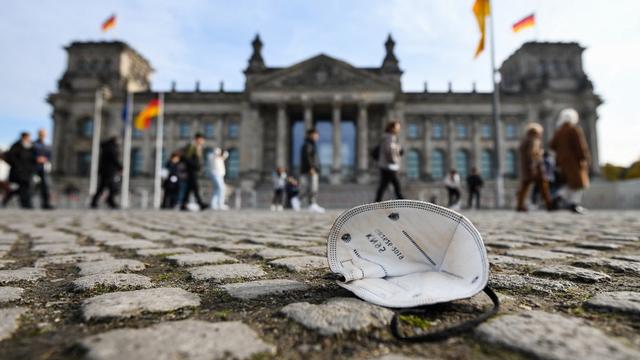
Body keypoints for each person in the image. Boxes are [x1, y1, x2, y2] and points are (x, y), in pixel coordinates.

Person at [550, 108, 590, 214]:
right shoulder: (574, 129)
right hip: (574, 161)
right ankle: (574, 204)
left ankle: (558, 197)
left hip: (561, 162)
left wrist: (561, 152)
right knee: (579, 184)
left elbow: (552, 145)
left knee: (569, 183)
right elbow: (580, 146)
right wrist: (584, 158)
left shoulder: (559, 131)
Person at [515, 123, 553, 212]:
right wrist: (540, 154)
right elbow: (532, 153)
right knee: (543, 187)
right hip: (535, 168)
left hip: (526, 168)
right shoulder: (534, 139)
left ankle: (519, 205)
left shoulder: (525, 140)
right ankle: (549, 205)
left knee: (524, 188)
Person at [2, 132, 37, 209]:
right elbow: (10, 157)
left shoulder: (31, 147)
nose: (28, 139)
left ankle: (26, 204)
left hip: (27, 171)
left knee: (25, 187)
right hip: (17, 171)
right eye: (27, 137)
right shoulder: (16, 145)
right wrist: (17, 165)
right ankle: (8, 200)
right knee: (17, 188)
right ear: (23, 137)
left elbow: (33, 158)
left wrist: (32, 167)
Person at [375, 121, 404, 202]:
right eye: (397, 127)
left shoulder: (386, 137)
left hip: (385, 165)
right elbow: (389, 150)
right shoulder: (390, 137)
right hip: (389, 166)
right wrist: (394, 162)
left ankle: (377, 202)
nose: (399, 129)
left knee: (388, 185)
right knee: (395, 186)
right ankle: (403, 202)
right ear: (392, 128)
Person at [91, 137, 122, 209]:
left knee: (103, 187)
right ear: (114, 141)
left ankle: (96, 202)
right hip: (109, 171)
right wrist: (120, 167)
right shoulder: (111, 148)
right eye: (118, 141)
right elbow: (113, 159)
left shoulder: (107, 147)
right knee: (113, 187)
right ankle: (109, 201)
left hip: (106, 171)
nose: (119, 142)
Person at [180, 133, 208, 211]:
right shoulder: (192, 146)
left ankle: (183, 204)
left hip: (193, 170)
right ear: (198, 139)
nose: (203, 141)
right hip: (191, 170)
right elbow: (186, 158)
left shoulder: (198, 147)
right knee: (195, 187)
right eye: (202, 139)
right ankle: (200, 203)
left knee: (189, 189)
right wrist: (194, 165)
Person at [300, 129, 325, 213]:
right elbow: (308, 157)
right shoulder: (308, 144)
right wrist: (311, 168)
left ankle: (311, 204)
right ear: (311, 135)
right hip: (311, 170)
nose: (317, 136)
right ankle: (312, 204)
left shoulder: (311, 144)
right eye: (316, 135)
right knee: (312, 187)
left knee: (310, 187)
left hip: (311, 169)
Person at [34, 128, 54, 209]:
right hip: (34, 167)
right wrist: (36, 158)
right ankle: (27, 203)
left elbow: (50, 156)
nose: (43, 135)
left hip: (44, 168)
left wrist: (46, 159)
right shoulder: (34, 144)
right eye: (41, 133)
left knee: (45, 186)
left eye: (44, 133)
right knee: (30, 186)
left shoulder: (47, 145)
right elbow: (29, 155)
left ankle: (46, 203)